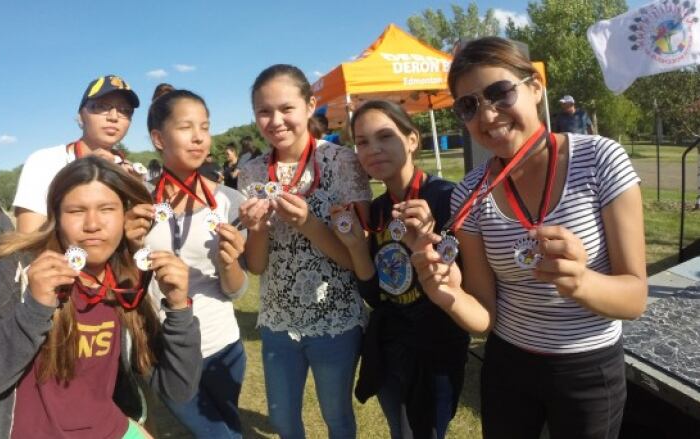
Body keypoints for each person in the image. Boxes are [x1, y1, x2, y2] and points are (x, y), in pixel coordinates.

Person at [411, 37, 647, 439]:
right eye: (468, 105)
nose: (486, 114)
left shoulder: (601, 160)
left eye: (499, 93)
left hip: (587, 368)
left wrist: (582, 281)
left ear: (535, 86)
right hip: (508, 367)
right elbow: (485, 317)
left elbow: (634, 298)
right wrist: (448, 294)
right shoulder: (469, 193)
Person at [0, 156, 202, 438]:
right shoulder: (9, 271)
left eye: (107, 209)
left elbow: (178, 390)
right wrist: (33, 309)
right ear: (56, 216)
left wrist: (179, 308)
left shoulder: (123, 283)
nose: (92, 224)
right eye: (76, 211)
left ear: (125, 216)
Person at [238, 64, 371, 438]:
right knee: (282, 421)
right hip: (278, 319)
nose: (275, 120)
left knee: (337, 419)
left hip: (335, 320)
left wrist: (309, 224)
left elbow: (355, 261)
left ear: (310, 105)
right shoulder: (250, 174)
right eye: (264, 111)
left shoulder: (342, 163)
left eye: (286, 108)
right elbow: (258, 266)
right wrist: (256, 230)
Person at [330, 100, 469, 438]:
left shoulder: (447, 198)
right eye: (362, 142)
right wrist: (355, 247)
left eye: (385, 136)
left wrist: (428, 242)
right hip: (388, 347)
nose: (373, 149)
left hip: (435, 351)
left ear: (412, 139)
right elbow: (377, 296)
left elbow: (467, 292)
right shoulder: (377, 211)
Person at [125, 84, 248, 438]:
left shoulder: (228, 201)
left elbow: (236, 291)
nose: (198, 138)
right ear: (158, 138)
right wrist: (130, 246)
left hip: (223, 344)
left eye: (205, 127)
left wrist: (230, 263)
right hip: (166, 348)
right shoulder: (138, 204)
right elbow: (125, 289)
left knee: (229, 427)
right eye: (185, 127)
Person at [13, 74, 142, 233]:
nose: (113, 117)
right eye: (101, 107)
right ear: (81, 115)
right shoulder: (45, 162)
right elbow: (28, 237)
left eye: (125, 110)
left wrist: (137, 194)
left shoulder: (129, 172)